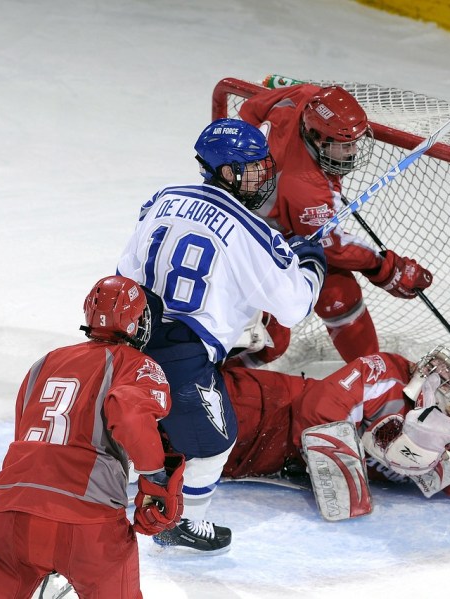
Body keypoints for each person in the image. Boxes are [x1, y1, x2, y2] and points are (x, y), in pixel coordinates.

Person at [116, 118, 325, 554]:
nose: (263, 176)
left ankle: (104, 488)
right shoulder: (253, 231)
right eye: (253, 168)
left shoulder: (163, 198)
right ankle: (181, 523)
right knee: (214, 442)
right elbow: (294, 307)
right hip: (181, 354)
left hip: (125, 339)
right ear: (226, 172)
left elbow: (125, 272)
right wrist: (309, 263)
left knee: (122, 422)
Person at [0, 276, 185, 599]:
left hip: (7, 514)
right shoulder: (137, 364)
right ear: (137, 323)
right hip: (87, 524)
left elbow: (25, 431)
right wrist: (156, 478)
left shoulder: (44, 362)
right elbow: (129, 415)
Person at [238, 83, 434, 365]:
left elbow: (250, 110)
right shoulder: (307, 189)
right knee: (272, 337)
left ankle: (371, 376)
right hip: (258, 243)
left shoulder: (305, 96)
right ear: (318, 140)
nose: (353, 151)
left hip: (249, 209)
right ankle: (226, 377)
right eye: (345, 145)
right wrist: (386, 268)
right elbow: (334, 247)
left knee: (338, 291)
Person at [221, 345, 450, 503]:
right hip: (266, 407)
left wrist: (438, 457)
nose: (434, 373)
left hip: (265, 455)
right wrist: (347, 479)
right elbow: (318, 409)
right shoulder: (387, 371)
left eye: (448, 378)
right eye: (435, 363)